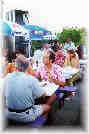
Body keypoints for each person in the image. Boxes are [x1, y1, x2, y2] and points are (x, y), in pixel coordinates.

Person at [4, 55, 60, 123]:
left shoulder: (7, 77)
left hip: (8, 113)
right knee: (47, 107)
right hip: (25, 115)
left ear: (15, 66)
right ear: (28, 66)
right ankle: (42, 124)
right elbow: (43, 95)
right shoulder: (31, 79)